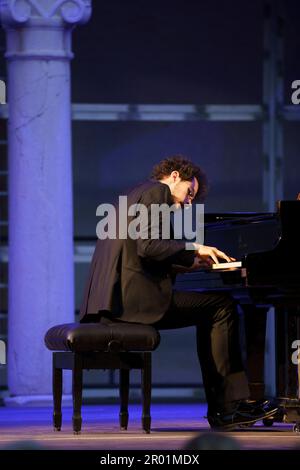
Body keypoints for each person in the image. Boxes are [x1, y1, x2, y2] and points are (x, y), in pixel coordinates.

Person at [80, 155, 278, 430]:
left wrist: (189, 265)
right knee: (222, 307)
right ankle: (227, 409)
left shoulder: (134, 193)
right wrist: (194, 248)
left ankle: (226, 407)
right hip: (133, 302)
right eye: (189, 193)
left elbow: (144, 255)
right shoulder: (156, 192)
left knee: (213, 307)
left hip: (112, 300)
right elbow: (149, 246)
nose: (189, 202)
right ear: (174, 176)